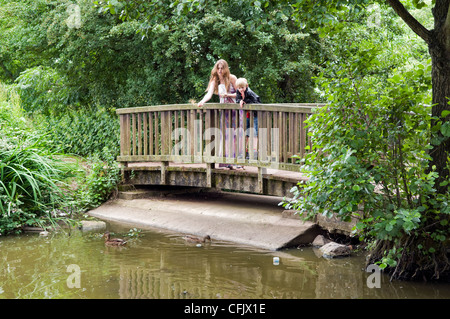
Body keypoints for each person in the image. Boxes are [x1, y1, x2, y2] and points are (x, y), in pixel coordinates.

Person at [197, 59, 243, 169]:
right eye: (218, 68)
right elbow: (209, 93)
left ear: (226, 68)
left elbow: (240, 94)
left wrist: (227, 95)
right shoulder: (215, 79)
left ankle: (238, 161)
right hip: (225, 111)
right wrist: (202, 101)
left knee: (236, 135)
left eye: (222, 68)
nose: (220, 70)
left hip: (235, 110)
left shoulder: (232, 78)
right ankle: (226, 160)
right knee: (226, 135)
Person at [235, 78, 260, 159]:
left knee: (255, 132)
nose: (241, 89)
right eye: (239, 88)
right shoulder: (238, 92)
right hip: (248, 114)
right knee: (246, 131)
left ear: (246, 86)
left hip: (256, 113)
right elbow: (237, 100)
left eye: (242, 87)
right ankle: (244, 152)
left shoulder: (249, 92)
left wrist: (245, 100)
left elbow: (255, 101)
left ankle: (254, 152)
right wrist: (240, 101)